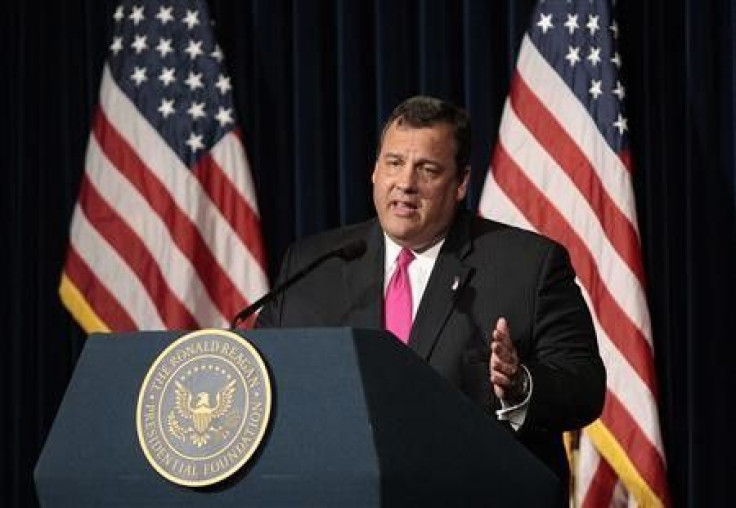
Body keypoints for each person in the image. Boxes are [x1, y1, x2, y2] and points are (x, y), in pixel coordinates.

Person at [256, 95, 606, 484]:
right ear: (374, 171)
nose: (405, 184)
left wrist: (520, 382)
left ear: (460, 184)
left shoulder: (527, 267)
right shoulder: (311, 265)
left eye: (427, 169)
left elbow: (584, 387)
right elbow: (270, 381)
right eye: (394, 163)